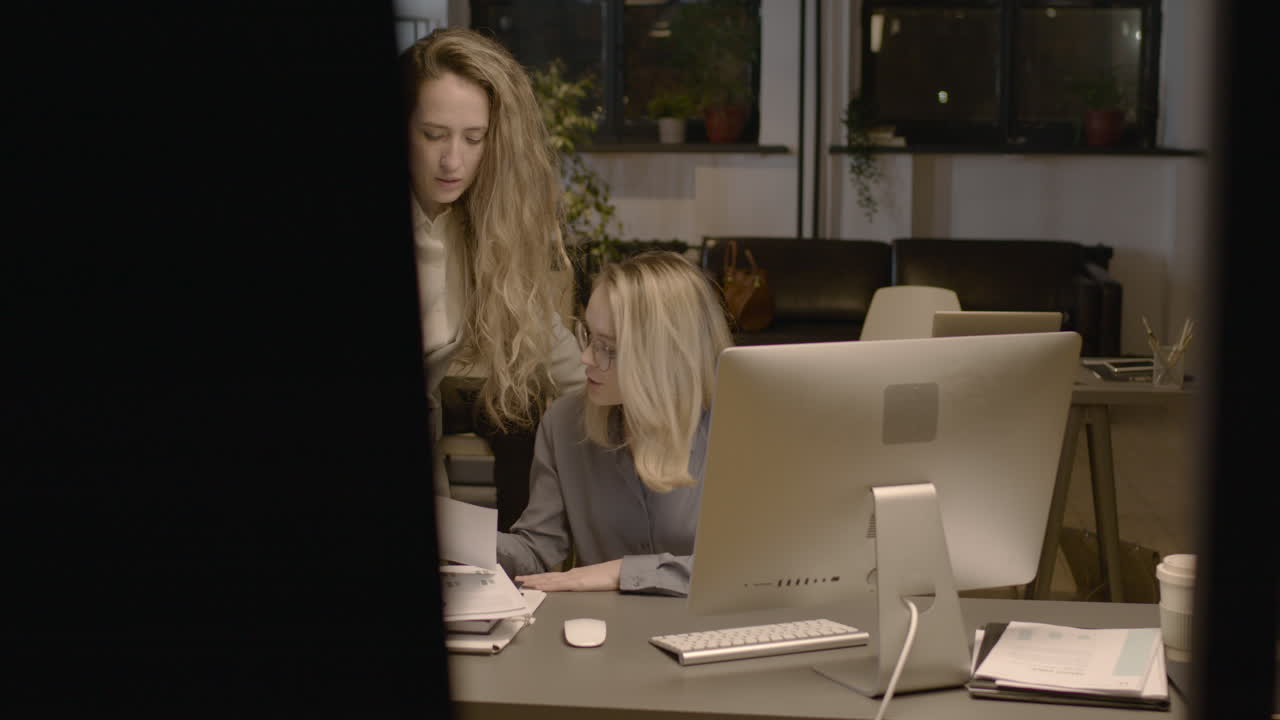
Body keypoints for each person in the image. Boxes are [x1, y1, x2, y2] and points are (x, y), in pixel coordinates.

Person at [400, 29, 585, 506]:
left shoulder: (478, 227)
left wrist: (625, 403)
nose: (452, 160)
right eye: (432, 135)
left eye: (474, 138)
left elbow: (542, 330)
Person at [496, 252, 734, 596]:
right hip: (604, 626)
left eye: (608, 348)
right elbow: (537, 551)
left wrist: (623, 571)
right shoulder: (564, 423)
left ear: (665, 356)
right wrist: (461, 536)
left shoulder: (737, 427)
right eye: (588, 337)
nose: (585, 358)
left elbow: (758, 567)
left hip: (709, 626)